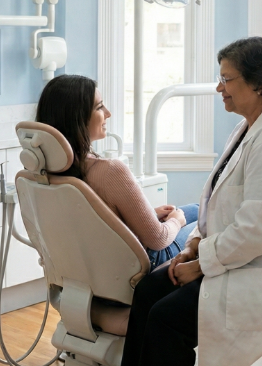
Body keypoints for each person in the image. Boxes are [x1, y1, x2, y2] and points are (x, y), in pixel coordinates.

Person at [116, 37, 262, 366]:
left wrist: (202, 266)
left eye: (227, 80)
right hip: (249, 255)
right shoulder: (252, 126)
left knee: (169, 318)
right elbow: (219, 203)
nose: (219, 88)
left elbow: (258, 231)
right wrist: (194, 246)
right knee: (150, 288)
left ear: (259, 83)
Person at [35, 74, 199, 270]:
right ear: (76, 118)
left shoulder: (43, 172)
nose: (108, 113)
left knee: (197, 210)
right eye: (99, 107)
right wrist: (176, 222)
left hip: (87, 268)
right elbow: (158, 239)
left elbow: (89, 226)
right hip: (136, 265)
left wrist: (144, 216)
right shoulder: (110, 171)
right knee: (201, 218)